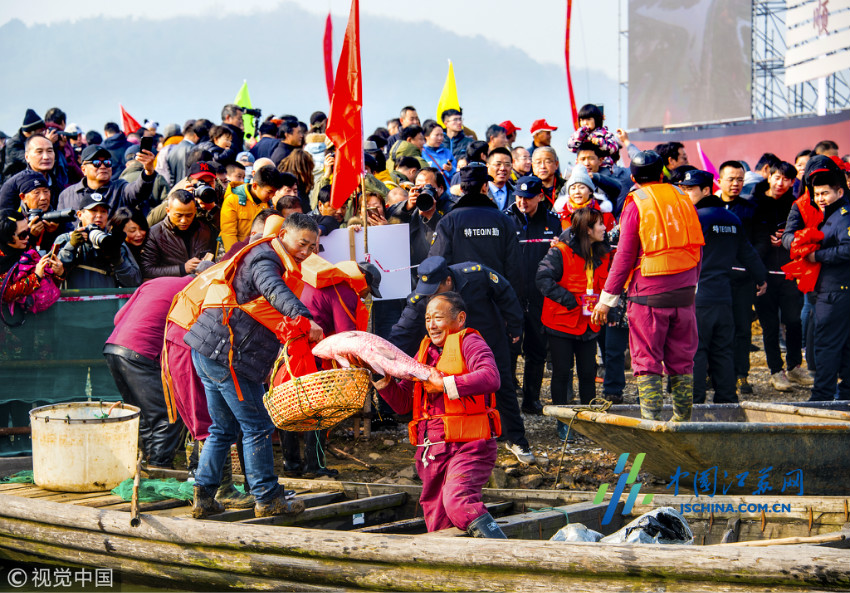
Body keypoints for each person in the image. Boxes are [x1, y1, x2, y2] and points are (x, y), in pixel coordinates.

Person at [184, 213, 323, 519]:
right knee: (258, 426)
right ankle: (267, 497)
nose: (307, 251)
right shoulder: (264, 258)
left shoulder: (270, 254)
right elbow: (274, 290)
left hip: (209, 349)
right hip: (230, 355)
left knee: (223, 428)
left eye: (313, 246)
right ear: (284, 234)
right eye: (303, 243)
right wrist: (304, 318)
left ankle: (204, 497)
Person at [372, 292, 505, 537]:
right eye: (427, 319)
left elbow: (490, 376)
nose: (432, 325)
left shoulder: (470, 343)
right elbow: (403, 404)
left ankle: (502, 550)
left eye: (438, 318)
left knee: (458, 501)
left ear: (460, 318)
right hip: (432, 451)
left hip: (470, 445)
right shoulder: (422, 354)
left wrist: (446, 385)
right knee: (436, 516)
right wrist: (382, 380)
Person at [591, 151, 704, 422]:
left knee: (647, 362)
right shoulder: (683, 199)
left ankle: (651, 424)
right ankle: (681, 423)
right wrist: (691, 287)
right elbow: (698, 247)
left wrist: (606, 300)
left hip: (649, 297)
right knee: (682, 362)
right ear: (662, 173)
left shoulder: (636, 204)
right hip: (685, 293)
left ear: (633, 178)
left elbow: (625, 256)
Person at [389, 256, 532, 464]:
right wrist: (383, 357)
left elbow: (505, 293)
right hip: (449, 350)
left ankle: (516, 439)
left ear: (448, 281)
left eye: (435, 290)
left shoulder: (476, 274)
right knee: (451, 392)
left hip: (487, 341)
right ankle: (458, 440)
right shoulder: (422, 295)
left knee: (503, 388)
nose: (431, 296)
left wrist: (515, 326)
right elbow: (403, 330)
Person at [284, 261, 382, 478]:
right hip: (313, 356)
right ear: (363, 280)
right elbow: (345, 337)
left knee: (292, 406)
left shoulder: (319, 281)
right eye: (368, 290)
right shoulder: (344, 290)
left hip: (290, 350)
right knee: (318, 410)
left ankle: (291, 464)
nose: (366, 295)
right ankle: (314, 467)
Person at [678, 170, 767, 403]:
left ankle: (695, 404)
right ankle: (727, 401)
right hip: (724, 298)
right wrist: (761, 278)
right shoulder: (732, 219)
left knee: (697, 352)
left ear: (706, 190)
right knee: (723, 351)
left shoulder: (694, 218)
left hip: (698, 298)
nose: (685, 193)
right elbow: (748, 252)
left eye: (689, 189)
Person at [537, 208, 611, 436]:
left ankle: (588, 422)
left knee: (588, 373)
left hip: (590, 323)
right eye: (599, 225)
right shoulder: (560, 252)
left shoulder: (602, 252)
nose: (604, 228)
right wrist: (570, 300)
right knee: (561, 372)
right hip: (561, 323)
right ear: (587, 230)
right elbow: (542, 279)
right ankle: (563, 421)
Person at [751, 161, 812, 391]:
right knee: (769, 326)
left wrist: (788, 239)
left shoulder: (794, 205)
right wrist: (767, 240)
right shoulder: (755, 204)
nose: (781, 183)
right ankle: (776, 371)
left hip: (789, 274)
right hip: (764, 274)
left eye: (787, 179)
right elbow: (751, 238)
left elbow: (803, 233)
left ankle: (795, 366)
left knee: (794, 321)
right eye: (777, 177)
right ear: (769, 176)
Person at [506, 176, 560, 414]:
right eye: (518, 196)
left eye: (528, 198)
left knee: (537, 349)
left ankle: (532, 400)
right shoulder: (505, 219)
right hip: (511, 296)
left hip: (540, 296)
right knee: (509, 350)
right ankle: (508, 403)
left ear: (540, 196)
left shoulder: (553, 221)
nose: (522, 202)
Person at [429, 164, 522, 298]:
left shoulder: (448, 221)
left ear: (461, 189)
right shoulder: (504, 220)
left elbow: (437, 262)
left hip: (459, 303)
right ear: (485, 187)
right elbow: (514, 268)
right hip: (496, 300)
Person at [804, 170, 850, 401]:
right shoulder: (832, 215)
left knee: (826, 346)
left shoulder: (844, 216)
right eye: (817, 194)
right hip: (836, 290)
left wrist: (817, 256)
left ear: (839, 192)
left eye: (825, 193)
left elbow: (848, 249)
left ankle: (822, 396)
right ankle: (845, 396)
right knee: (844, 346)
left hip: (835, 292)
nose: (820, 198)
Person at [715, 160, 758, 395]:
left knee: (742, 328)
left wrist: (753, 270)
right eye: (731, 179)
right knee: (716, 329)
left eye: (740, 179)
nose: (736, 184)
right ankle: (715, 373)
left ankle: (741, 374)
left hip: (742, 280)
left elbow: (756, 244)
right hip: (715, 281)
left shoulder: (750, 209)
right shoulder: (709, 208)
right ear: (719, 180)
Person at [53, 193, 142, 288]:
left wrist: (118, 261)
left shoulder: (113, 242)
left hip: (106, 301)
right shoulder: (65, 239)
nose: (99, 215)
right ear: (79, 214)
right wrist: (71, 246)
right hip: (74, 302)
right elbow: (51, 273)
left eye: (103, 211)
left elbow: (134, 282)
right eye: (93, 211)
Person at [57, 145, 156, 216]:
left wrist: (148, 171)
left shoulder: (120, 188)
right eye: (96, 163)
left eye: (107, 162)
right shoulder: (66, 195)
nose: (103, 166)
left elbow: (139, 191)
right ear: (83, 169)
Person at [0, 210, 64, 314]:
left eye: (28, 231)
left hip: (39, 320)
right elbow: (4, 294)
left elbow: (48, 285)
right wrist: (36, 276)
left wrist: (59, 273)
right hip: (9, 324)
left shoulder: (27, 250)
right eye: (23, 234)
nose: (28, 237)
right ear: (7, 237)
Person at [141, 190, 215, 280]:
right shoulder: (154, 234)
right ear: (168, 211)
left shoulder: (205, 230)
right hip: (169, 287)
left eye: (189, 215)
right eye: (179, 215)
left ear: (195, 211)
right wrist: (182, 269)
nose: (184, 220)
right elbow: (147, 270)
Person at [219, 165, 284, 252]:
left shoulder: (270, 204)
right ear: (254, 186)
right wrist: (234, 257)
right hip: (235, 252)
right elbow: (228, 234)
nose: (272, 196)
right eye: (269, 192)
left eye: (275, 192)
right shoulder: (233, 200)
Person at [0, 134, 67, 212]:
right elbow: (3, 220)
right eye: (39, 152)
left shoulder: (58, 183)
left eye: (49, 151)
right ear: (27, 157)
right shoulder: (13, 186)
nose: (46, 157)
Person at [3, 109, 50, 179]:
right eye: (39, 133)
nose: (41, 136)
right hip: (15, 184)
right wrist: (47, 143)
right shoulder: (14, 144)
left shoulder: (26, 140)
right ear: (31, 132)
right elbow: (31, 160)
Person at [421, 121, 456, 187]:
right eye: (437, 135)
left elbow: (456, 174)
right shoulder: (422, 153)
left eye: (442, 135)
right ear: (427, 136)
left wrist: (450, 170)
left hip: (448, 192)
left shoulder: (447, 152)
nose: (440, 138)